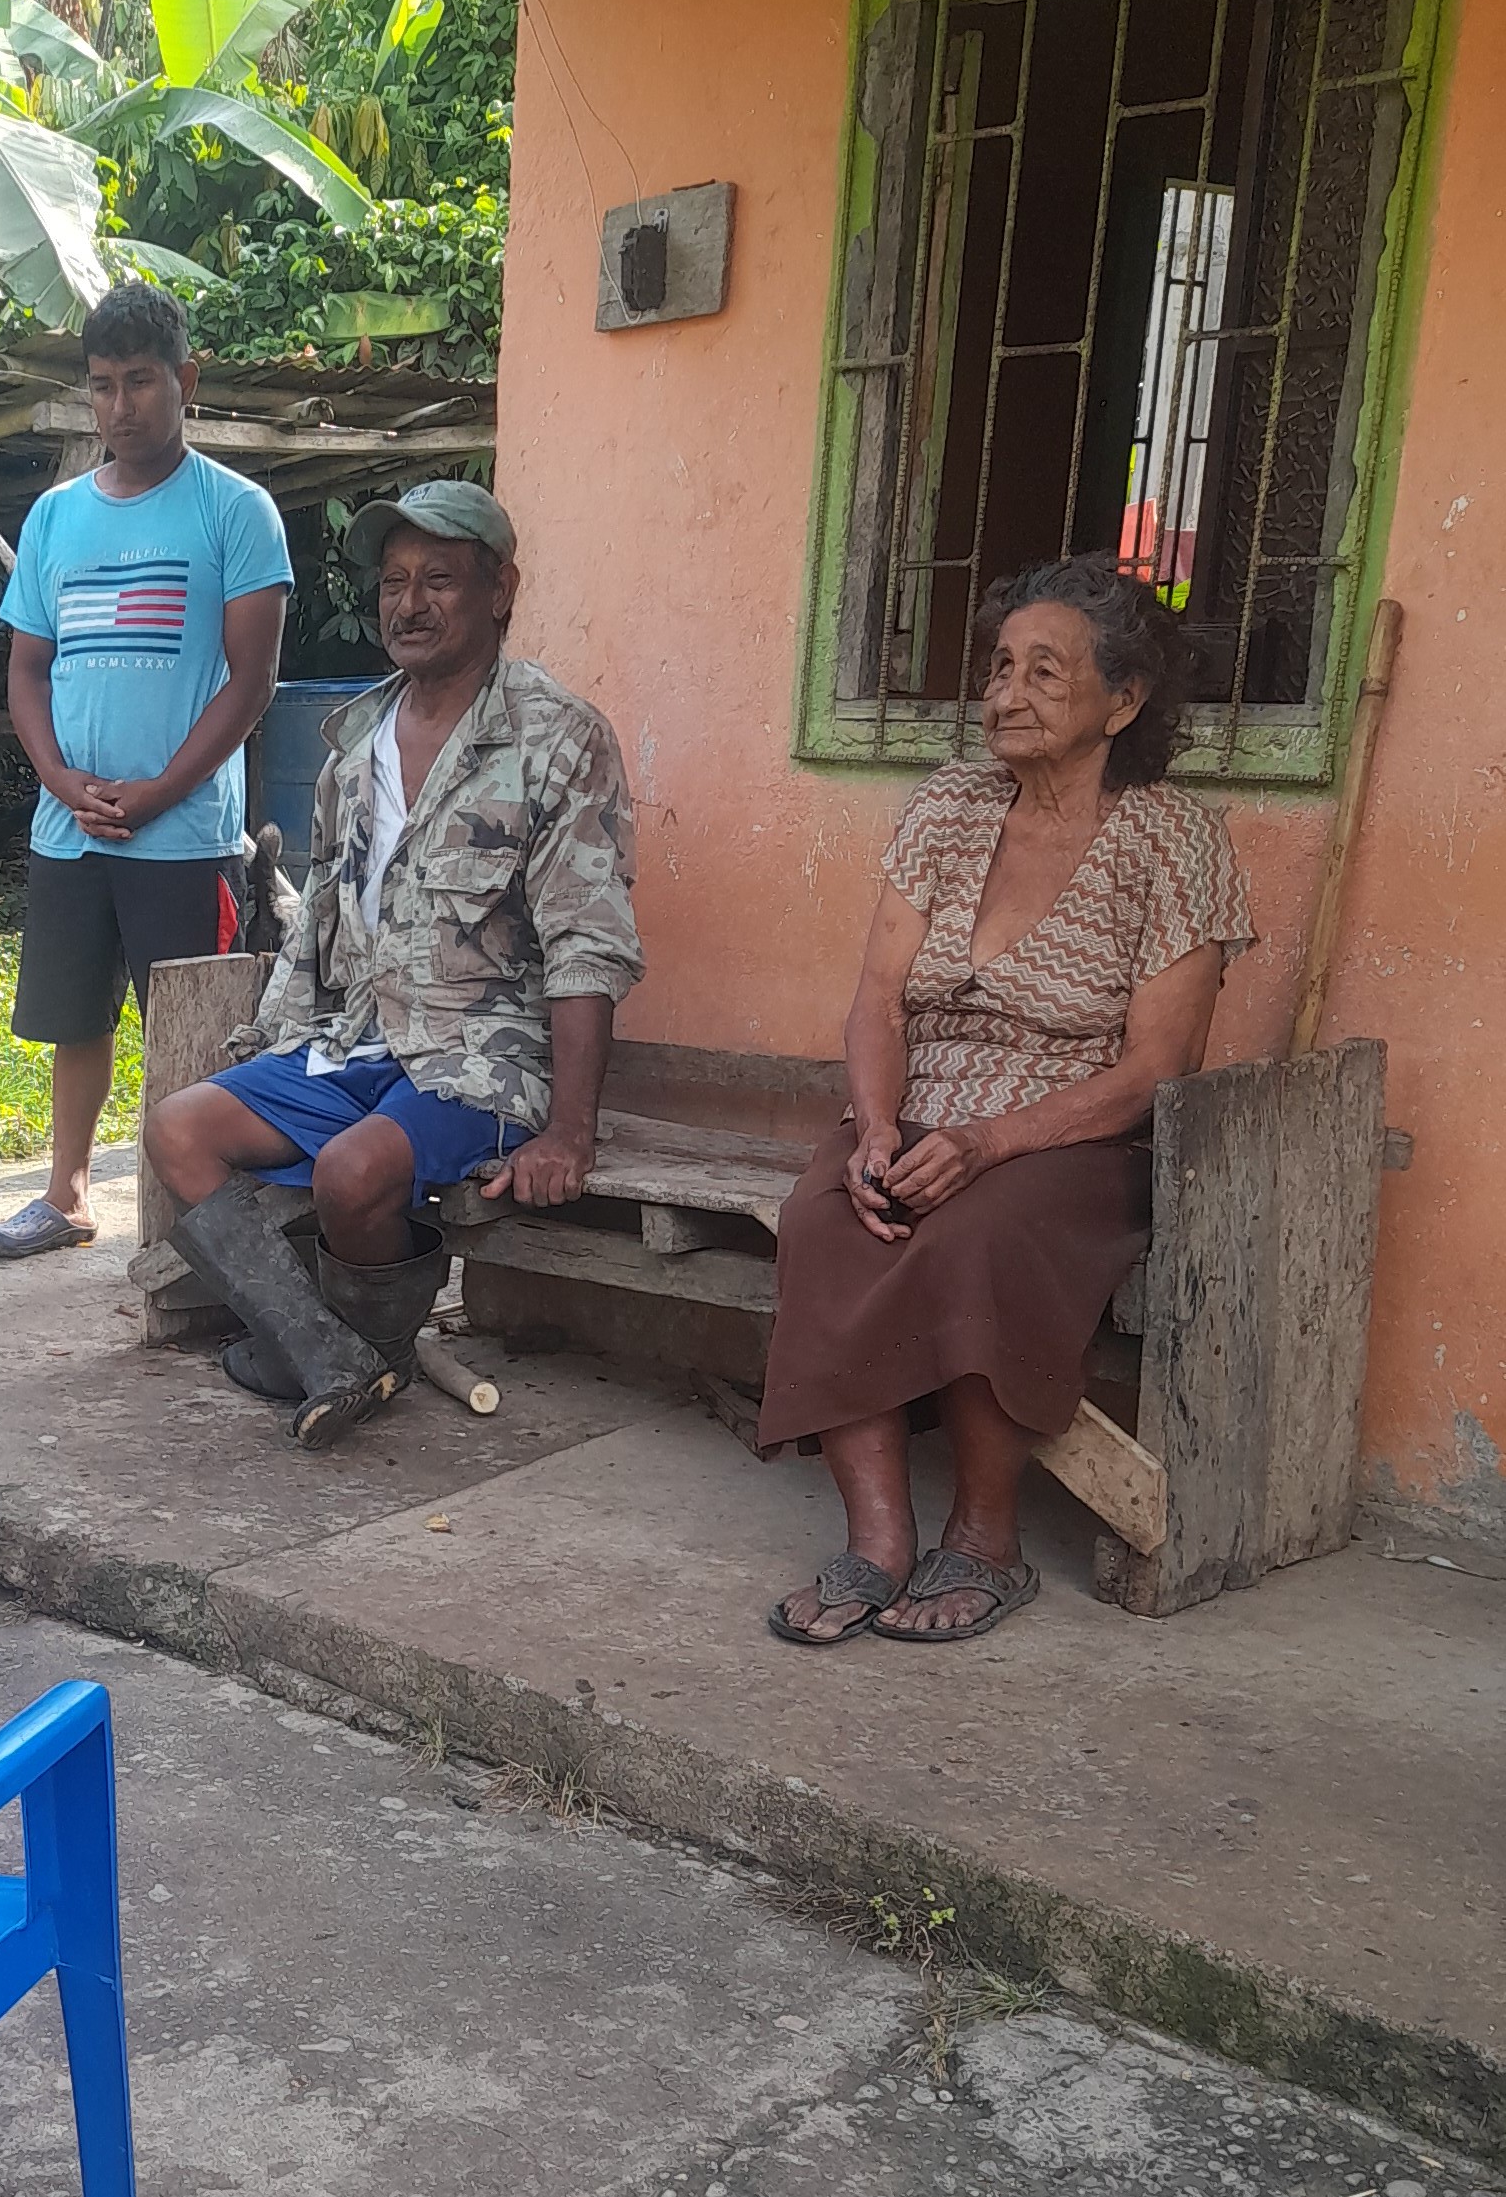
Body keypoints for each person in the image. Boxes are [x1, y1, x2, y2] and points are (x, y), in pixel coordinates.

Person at [762, 558, 1255, 1647]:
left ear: (1122, 701)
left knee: (976, 1235)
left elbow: (1157, 1068)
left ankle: (987, 1540)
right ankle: (876, 1539)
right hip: (920, 1111)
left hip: (1073, 1138)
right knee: (827, 1216)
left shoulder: (1175, 838)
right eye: (998, 668)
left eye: (1044, 671)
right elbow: (877, 1001)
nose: (1006, 694)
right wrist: (877, 1127)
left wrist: (985, 1143)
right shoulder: (948, 806)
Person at [140, 478, 641, 1446]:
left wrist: (571, 1132)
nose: (408, 604)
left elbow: (589, 940)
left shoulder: (556, 739)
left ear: (501, 590)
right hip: (360, 1039)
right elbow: (319, 922)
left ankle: (357, 1347)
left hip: (482, 1055)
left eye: (438, 580)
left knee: (351, 1173)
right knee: (180, 1129)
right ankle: (324, 1354)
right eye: (394, 582)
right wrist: (270, 1041)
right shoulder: (353, 748)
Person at [0, 280, 293, 1261]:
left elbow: (252, 681)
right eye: (104, 385)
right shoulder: (55, 518)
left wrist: (160, 792)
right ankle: (66, 1196)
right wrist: (59, 779)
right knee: (77, 1019)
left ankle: (196, 1229)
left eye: (142, 381)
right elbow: (27, 669)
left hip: (184, 831)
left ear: (186, 382)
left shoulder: (237, 512)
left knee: (193, 1031)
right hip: (71, 827)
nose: (121, 406)